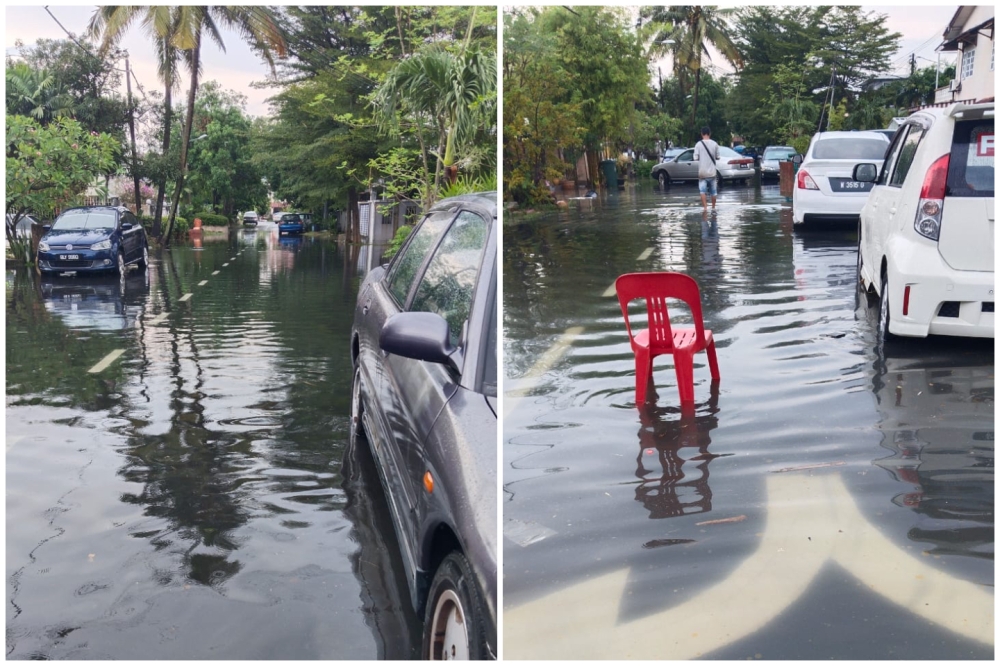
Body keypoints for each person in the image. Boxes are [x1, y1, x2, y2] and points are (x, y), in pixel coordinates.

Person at [693, 126, 720, 210]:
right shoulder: (715, 144)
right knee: (713, 192)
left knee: (702, 191)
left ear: (701, 134)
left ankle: (705, 208)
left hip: (702, 173)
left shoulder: (698, 144)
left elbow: (695, 158)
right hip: (712, 173)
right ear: (710, 133)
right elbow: (718, 157)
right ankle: (713, 208)